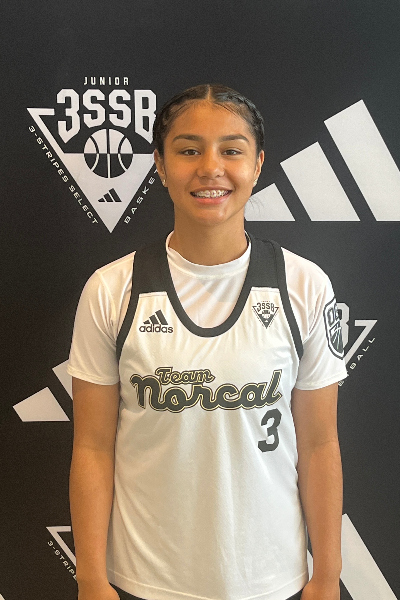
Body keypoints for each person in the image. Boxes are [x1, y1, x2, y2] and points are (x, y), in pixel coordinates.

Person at [68, 84, 347, 600]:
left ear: (258, 164)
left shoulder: (305, 286)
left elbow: (318, 445)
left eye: (231, 150)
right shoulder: (110, 290)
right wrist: (90, 579)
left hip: (271, 579)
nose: (211, 168)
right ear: (159, 164)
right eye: (189, 150)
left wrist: (327, 575)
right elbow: (92, 447)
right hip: (143, 580)